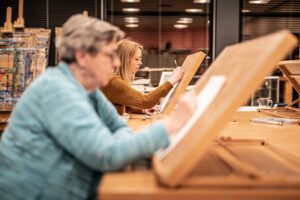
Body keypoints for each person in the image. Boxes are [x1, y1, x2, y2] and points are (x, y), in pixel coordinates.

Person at [0, 15, 197, 200]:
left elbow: (118, 128)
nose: (116, 63)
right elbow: (107, 154)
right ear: (83, 56)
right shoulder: (57, 90)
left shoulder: (89, 89)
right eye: (109, 55)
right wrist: (173, 123)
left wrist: (125, 146)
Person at [102, 39, 184, 115]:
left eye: (140, 59)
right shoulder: (113, 82)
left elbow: (124, 104)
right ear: (124, 60)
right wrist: (173, 80)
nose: (140, 63)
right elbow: (146, 100)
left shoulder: (112, 79)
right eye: (137, 59)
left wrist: (142, 110)